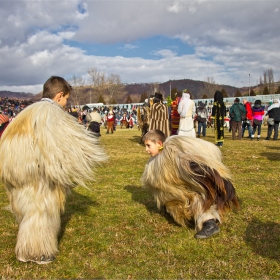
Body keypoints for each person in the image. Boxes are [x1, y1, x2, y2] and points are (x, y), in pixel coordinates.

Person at [0, 76, 107, 264]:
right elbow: (71, 145)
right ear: (59, 96)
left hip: (12, 166)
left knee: (28, 208)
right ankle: (39, 252)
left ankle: (25, 250)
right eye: (66, 99)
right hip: (34, 168)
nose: (66, 104)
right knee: (42, 208)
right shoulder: (51, 113)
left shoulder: (27, 112)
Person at [141, 129, 239, 239]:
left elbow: (189, 165)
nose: (146, 150)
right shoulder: (155, 161)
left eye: (148, 146)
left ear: (159, 144)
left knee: (195, 200)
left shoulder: (172, 153)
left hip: (190, 188)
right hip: (178, 191)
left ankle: (209, 224)